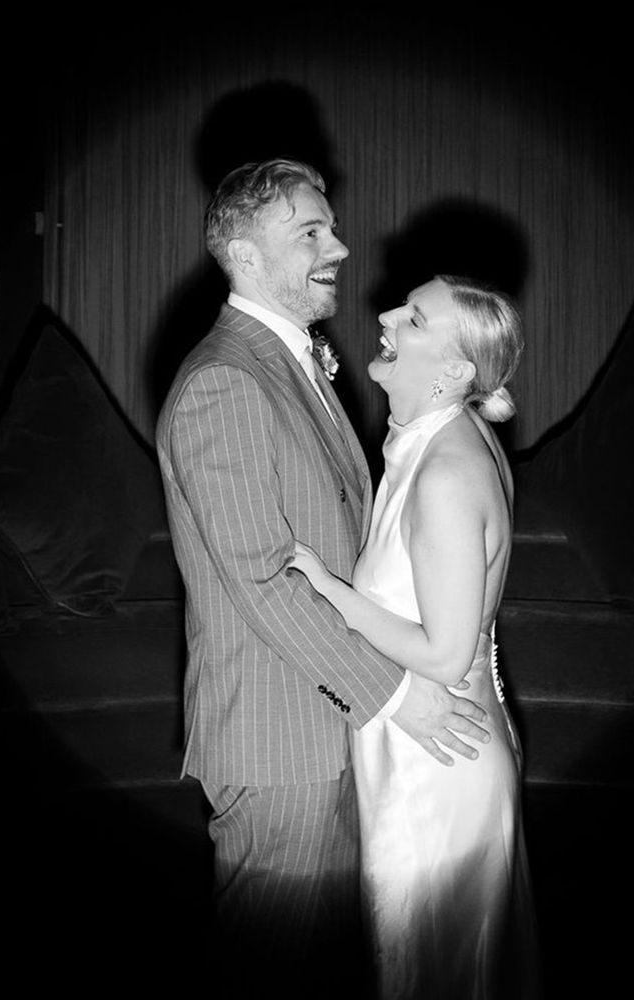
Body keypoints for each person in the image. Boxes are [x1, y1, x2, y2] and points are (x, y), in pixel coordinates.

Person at [155, 160, 490, 998]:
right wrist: (394, 694)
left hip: (333, 724)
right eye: (310, 231)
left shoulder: (296, 359)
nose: (338, 245)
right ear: (242, 253)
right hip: (281, 742)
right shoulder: (225, 382)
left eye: (330, 227)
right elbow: (264, 581)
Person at [290, 274, 541, 998]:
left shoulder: (447, 472)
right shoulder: (440, 439)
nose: (387, 316)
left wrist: (328, 589)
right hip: (430, 745)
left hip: (439, 764)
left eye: (414, 318)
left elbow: (445, 652)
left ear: (454, 372)